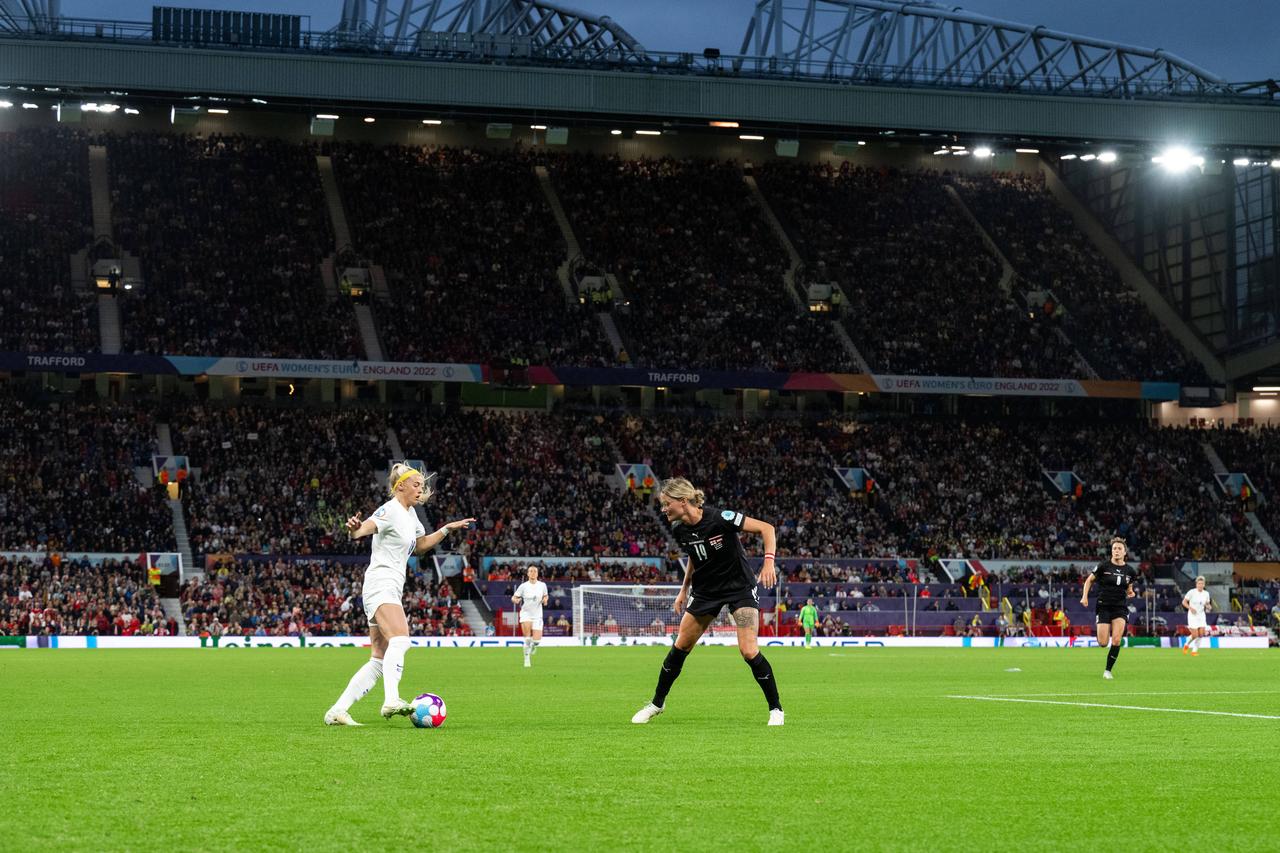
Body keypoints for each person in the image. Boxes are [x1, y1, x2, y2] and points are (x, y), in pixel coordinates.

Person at [323, 463, 475, 726]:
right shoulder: (390, 510)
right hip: (381, 583)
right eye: (416, 484)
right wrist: (354, 528)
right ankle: (391, 700)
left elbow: (419, 546)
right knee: (402, 639)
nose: (421, 489)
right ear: (400, 485)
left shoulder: (410, 514)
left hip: (389, 586)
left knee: (378, 659)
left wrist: (446, 529)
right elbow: (362, 530)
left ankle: (337, 710)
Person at [631, 477, 784, 726]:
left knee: (748, 650)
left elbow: (767, 528)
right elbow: (695, 555)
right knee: (680, 647)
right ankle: (657, 704)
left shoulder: (721, 518)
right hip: (706, 592)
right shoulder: (679, 530)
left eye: (666, 503)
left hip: (739, 589)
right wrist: (684, 589)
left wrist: (769, 562)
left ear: (682, 502)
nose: (663, 509)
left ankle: (776, 709)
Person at [1080, 537, 1137, 680]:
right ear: (1111, 551)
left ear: (1125, 552)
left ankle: (1108, 671)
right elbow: (1089, 581)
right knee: (1103, 643)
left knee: (1117, 640)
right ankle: (1102, 628)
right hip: (1103, 606)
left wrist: (1131, 592)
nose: (1116, 551)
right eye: (1114, 549)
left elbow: (1129, 587)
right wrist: (1084, 596)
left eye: (1119, 549)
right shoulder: (1103, 566)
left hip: (1120, 607)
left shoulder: (1130, 571)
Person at [512, 565, 549, 668]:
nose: (533, 573)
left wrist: (545, 600)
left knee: (536, 641)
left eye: (535, 571)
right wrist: (516, 600)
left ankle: (533, 646)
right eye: (530, 571)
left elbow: (546, 595)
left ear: (537, 574)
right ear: (528, 574)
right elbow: (514, 597)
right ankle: (527, 659)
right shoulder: (523, 586)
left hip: (537, 615)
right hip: (526, 614)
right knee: (527, 639)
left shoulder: (542, 585)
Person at [1182, 575, 1211, 657]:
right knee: (1195, 635)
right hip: (1192, 615)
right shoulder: (1191, 592)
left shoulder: (1206, 593)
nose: (1200, 585)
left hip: (1201, 615)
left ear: (1204, 585)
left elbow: (1207, 603)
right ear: (1196, 584)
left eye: (1202, 583)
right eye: (1199, 583)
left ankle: (1194, 651)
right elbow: (1184, 602)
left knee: (1201, 634)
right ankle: (1186, 644)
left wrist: (1208, 606)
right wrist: (1190, 608)